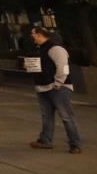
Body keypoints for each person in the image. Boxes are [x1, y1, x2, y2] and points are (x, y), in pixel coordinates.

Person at [29, 26, 82, 154]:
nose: (31, 36)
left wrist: (58, 83)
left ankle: (75, 144)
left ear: (40, 35)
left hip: (56, 87)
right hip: (43, 86)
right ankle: (45, 139)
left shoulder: (55, 49)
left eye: (33, 33)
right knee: (47, 115)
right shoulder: (40, 49)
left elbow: (63, 67)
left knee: (66, 116)